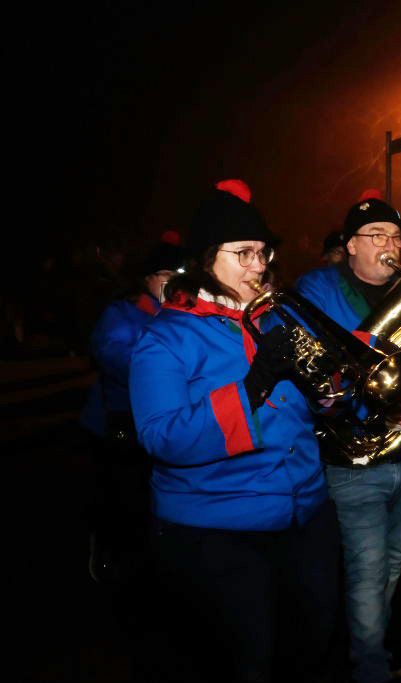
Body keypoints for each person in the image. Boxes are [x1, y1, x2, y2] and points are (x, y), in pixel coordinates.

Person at [129, 180, 339, 683]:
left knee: (311, 650)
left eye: (263, 253)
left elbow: (308, 410)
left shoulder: (273, 318)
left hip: (305, 516)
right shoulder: (166, 336)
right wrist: (252, 387)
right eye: (243, 253)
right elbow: (162, 437)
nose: (258, 266)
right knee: (246, 662)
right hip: (217, 531)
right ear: (207, 259)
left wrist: (329, 390)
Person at [296, 189, 401, 683]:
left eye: (395, 236)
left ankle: (369, 643)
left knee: (392, 562)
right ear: (350, 245)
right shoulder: (318, 288)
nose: (389, 244)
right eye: (376, 235)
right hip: (353, 454)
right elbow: (319, 358)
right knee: (369, 566)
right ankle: (370, 665)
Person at [81, 230, 186, 582]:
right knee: (121, 499)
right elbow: (114, 356)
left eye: (179, 275)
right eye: (167, 275)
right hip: (119, 424)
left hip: (158, 426)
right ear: (149, 278)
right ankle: (108, 551)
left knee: (150, 501)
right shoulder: (124, 313)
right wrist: (165, 373)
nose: (173, 283)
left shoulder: (181, 314)